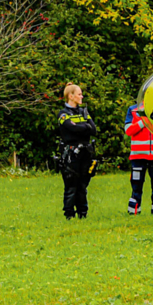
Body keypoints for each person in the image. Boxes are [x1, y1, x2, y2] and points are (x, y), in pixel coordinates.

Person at [58, 82, 97, 220]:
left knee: (82, 185)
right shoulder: (63, 114)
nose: (82, 96)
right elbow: (72, 128)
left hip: (85, 153)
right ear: (71, 96)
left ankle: (83, 213)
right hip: (70, 154)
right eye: (79, 94)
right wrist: (85, 126)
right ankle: (69, 214)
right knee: (71, 185)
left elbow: (94, 130)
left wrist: (82, 126)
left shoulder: (84, 111)